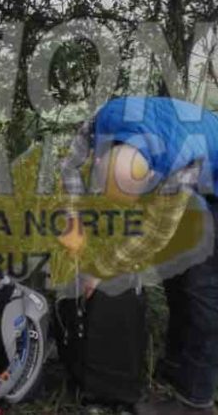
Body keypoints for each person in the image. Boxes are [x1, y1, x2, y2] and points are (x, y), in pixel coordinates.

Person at [59, 96, 218, 414]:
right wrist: (72, 215)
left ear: (149, 177)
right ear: (100, 160)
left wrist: (99, 271)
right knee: (177, 271)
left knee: (202, 288)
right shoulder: (102, 121)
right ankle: (176, 363)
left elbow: (156, 232)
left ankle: (195, 399)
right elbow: (70, 166)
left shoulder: (180, 165)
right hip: (179, 145)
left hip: (209, 175)